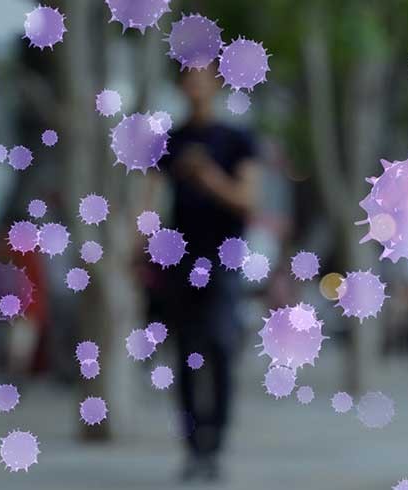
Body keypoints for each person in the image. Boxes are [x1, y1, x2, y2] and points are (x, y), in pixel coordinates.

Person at [151, 64, 259, 482]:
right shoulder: (170, 142)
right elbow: (150, 200)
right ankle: (193, 446)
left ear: (215, 83)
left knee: (220, 348)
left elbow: (247, 200)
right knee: (185, 355)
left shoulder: (237, 140)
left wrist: (207, 175)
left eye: (202, 77)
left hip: (223, 261)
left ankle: (216, 442)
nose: (195, 85)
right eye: (188, 77)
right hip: (179, 262)